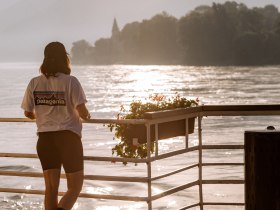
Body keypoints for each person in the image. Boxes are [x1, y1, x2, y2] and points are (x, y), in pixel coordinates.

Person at [21, 42, 90, 210]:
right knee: (74, 187)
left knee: (51, 189)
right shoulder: (71, 81)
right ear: (64, 58)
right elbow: (82, 112)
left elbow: (28, 113)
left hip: (45, 139)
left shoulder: (34, 83)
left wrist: (43, 116)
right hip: (68, 139)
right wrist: (87, 116)